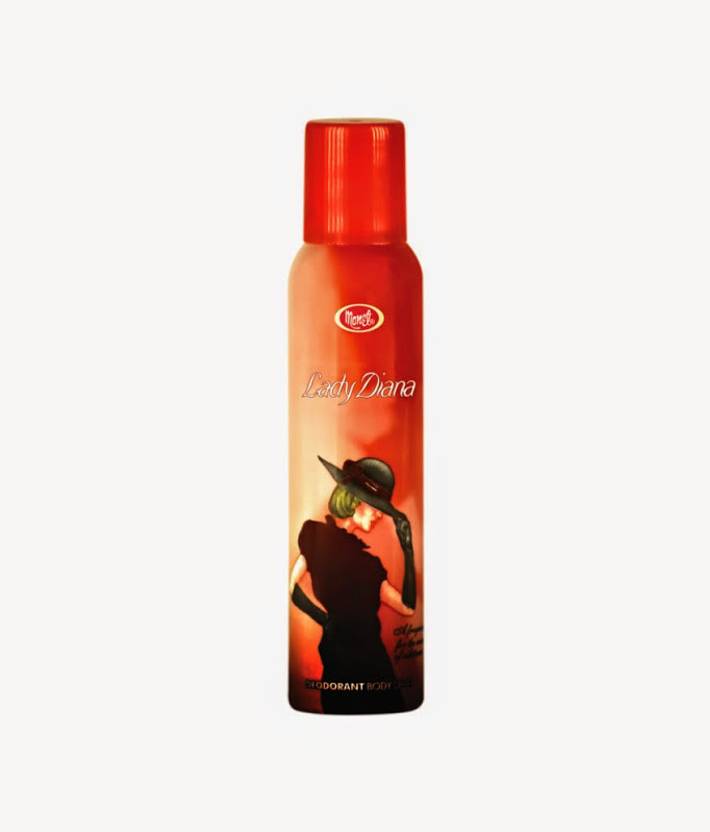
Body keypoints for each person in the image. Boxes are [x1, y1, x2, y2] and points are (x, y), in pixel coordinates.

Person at [290, 455, 416, 714]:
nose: (380, 514)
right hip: (339, 667)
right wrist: (326, 621)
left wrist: (408, 550)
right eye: (375, 505)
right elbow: (292, 586)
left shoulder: (369, 566)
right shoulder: (316, 538)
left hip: (376, 671)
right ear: (354, 500)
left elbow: (407, 608)